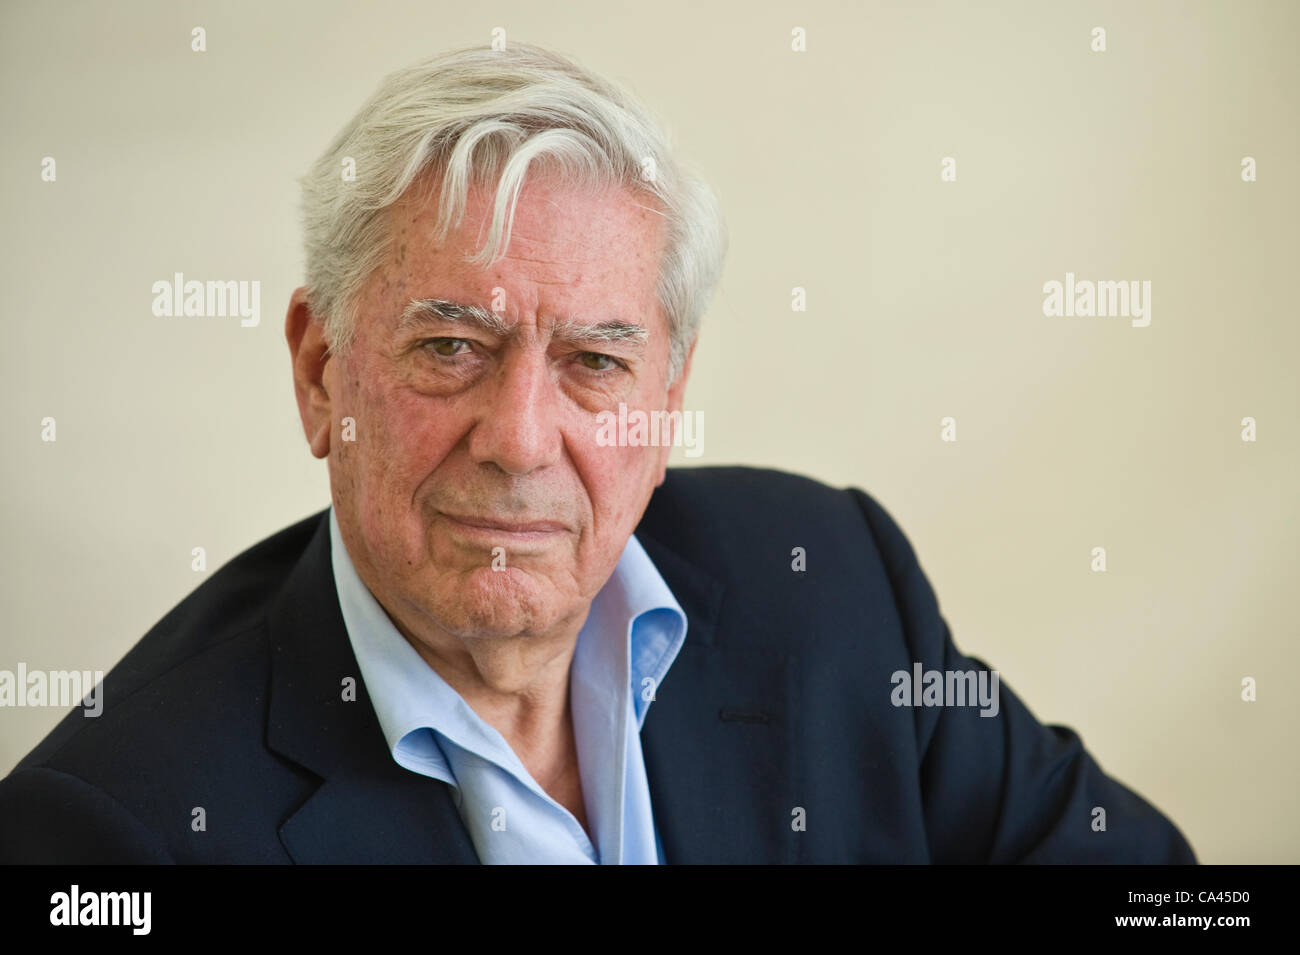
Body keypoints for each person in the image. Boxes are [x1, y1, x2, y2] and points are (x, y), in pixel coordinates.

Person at [0, 43, 1195, 864]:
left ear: (668, 396)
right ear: (322, 374)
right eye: (452, 346)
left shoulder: (831, 584)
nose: (522, 438)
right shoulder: (115, 827)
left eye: (596, 362)